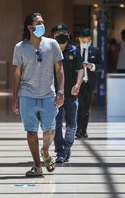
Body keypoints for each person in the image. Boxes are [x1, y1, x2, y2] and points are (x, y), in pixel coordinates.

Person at [12, 12, 64, 177]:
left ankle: (45, 151)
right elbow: (17, 74)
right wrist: (15, 97)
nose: (42, 26)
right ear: (30, 27)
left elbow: (59, 69)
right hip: (27, 94)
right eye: (38, 23)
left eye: (43, 22)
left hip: (48, 94)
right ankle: (36, 165)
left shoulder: (52, 44)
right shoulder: (20, 47)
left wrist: (61, 91)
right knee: (31, 131)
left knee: (50, 131)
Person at [50, 23, 84, 163]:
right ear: (53, 36)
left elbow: (81, 70)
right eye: (58, 34)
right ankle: (60, 151)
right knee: (56, 124)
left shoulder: (74, 51)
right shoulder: (50, 51)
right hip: (55, 94)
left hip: (71, 94)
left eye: (63, 33)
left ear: (68, 35)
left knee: (72, 124)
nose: (61, 36)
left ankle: (68, 146)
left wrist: (78, 84)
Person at [76, 28, 103, 139]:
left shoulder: (95, 51)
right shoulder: (75, 50)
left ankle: (84, 130)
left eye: (87, 40)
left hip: (89, 83)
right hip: (78, 83)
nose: (85, 42)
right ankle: (78, 130)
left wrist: (92, 66)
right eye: (83, 40)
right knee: (79, 106)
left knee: (86, 107)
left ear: (90, 40)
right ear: (79, 39)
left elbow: (101, 66)